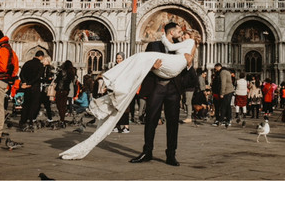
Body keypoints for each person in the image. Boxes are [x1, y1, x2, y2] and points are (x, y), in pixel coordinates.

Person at [60, 22, 196, 164]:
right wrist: (151, 67)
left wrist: (189, 63)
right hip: (157, 88)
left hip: (173, 89)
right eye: (178, 32)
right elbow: (141, 65)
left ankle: (171, 155)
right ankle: (147, 152)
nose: (180, 35)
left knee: (173, 122)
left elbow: (187, 70)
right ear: (170, 32)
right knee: (150, 121)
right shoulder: (154, 45)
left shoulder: (183, 46)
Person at [19, 51, 46, 127]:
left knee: (26, 104)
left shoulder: (27, 63)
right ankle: (30, 120)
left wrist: (25, 83)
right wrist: (30, 83)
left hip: (27, 87)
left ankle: (23, 120)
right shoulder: (40, 65)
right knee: (34, 104)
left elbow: (21, 74)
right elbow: (38, 77)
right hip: (35, 87)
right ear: (41, 56)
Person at [113, 53, 131, 133]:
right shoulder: (115, 67)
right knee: (117, 109)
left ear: (123, 59)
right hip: (117, 90)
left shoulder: (126, 67)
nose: (118, 60)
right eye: (117, 58)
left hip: (124, 90)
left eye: (120, 58)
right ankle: (117, 126)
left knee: (125, 109)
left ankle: (126, 127)